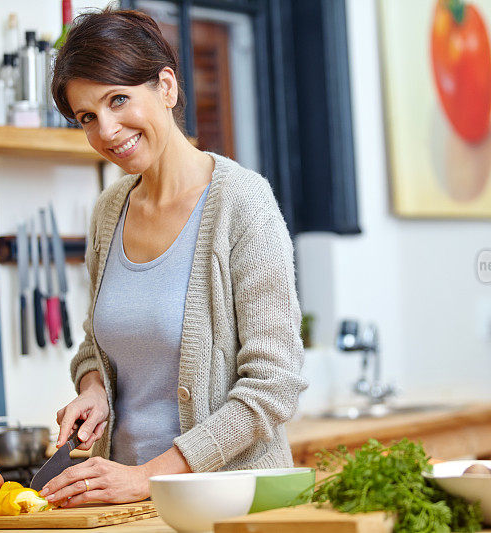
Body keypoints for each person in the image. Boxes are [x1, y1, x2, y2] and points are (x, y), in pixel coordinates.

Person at [39, 8, 307, 507]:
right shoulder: (108, 212)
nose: (108, 130)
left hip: (227, 506)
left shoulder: (243, 204)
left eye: (118, 100)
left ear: (166, 86)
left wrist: (147, 476)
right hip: (129, 509)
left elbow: (274, 385)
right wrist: (94, 387)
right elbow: (95, 347)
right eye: (88, 118)